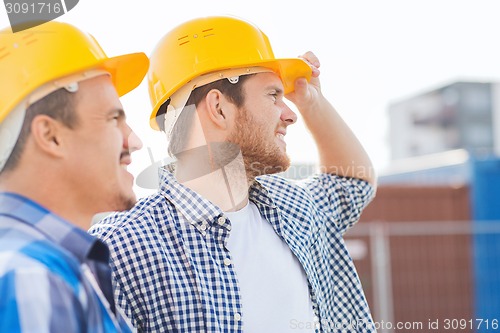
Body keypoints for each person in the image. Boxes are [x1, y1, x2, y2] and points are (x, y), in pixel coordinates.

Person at [90, 15, 377, 332]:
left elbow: (352, 184)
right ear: (219, 108)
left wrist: (313, 102)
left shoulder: (294, 206)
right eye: (273, 95)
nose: (290, 115)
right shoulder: (120, 249)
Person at [0, 20, 148, 332]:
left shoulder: (53, 267)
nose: (133, 141)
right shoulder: (34, 278)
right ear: (51, 136)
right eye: (113, 119)